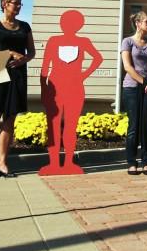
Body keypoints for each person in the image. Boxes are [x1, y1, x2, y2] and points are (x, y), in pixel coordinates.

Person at [39, 9, 103, 175]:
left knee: (70, 126)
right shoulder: (53, 40)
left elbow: (98, 58)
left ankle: (68, 163)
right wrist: (44, 89)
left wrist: (83, 75)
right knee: (52, 127)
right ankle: (53, 163)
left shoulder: (83, 41)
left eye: (72, 22)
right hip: (55, 88)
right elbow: (45, 68)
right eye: (65, 21)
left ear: (78, 25)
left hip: (75, 89)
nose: (67, 25)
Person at [0, 0, 34, 178]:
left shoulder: (25, 27)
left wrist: (23, 59)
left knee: (10, 118)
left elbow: (31, 53)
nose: (18, 6)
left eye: (20, 3)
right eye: (15, 3)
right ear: (4, 3)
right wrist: (10, 52)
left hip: (18, 72)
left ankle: (3, 162)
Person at [120, 10, 147, 175]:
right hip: (132, 87)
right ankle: (131, 162)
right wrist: (144, 83)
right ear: (138, 24)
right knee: (134, 126)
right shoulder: (127, 42)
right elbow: (127, 67)